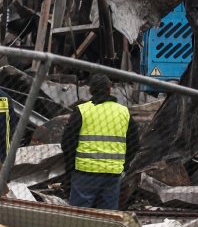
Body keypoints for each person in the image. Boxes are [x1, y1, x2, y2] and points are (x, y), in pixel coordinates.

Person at [60, 75, 139, 210]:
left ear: (90, 91)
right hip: (112, 174)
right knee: (106, 217)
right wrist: (124, 165)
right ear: (110, 90)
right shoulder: (123, 112)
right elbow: (134, 143)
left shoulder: (82, 111)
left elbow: (68, 143)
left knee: (79, 215)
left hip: (85, 172)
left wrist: (70, 167)